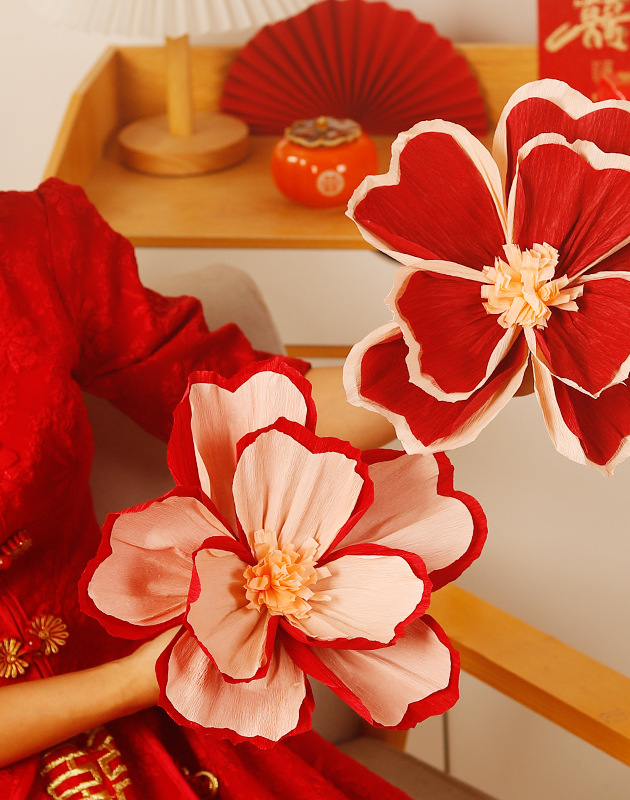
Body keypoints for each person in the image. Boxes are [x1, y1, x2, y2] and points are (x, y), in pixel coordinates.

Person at [0, 178, 406, 799]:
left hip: (150, 705)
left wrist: (469, 359)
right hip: (131, 686)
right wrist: (140, 679)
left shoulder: (34, 240)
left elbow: (248, 406)